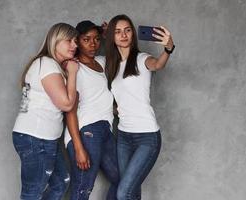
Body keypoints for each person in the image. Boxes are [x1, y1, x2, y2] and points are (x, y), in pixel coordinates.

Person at [105, 14, 175, 200]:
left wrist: (168, 48)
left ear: (133, 34)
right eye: (118, 32)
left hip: (147, 137)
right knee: (131, 192)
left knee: (123, 193)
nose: (124, 35)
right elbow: (121, 98)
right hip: (123, 137)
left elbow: (158, 65)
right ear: (112, 36)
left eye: (127, 30)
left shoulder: (142, 59)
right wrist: (116, 108)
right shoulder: (113, 66)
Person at [12, 23, 79, 200]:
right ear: (55, 41)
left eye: (75, 41)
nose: (75, 45)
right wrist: (72, 73)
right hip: (36, 137)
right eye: (69, 40)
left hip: (43, 138)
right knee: (33, 192)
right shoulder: (47, 64)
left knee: (60, 182)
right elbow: (66, 104)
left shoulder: (48, 64)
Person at [65, 20, 119, 200]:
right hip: (86, 131)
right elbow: (70, 111)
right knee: (83, 189)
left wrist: (108, 35)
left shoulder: (101, 62)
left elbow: (123, 55)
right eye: (86, 39)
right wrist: (79, 147)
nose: (92, 44)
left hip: (106, 130)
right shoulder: (74, 67)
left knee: (124, 180)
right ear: (77, 41)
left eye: (96, 39)